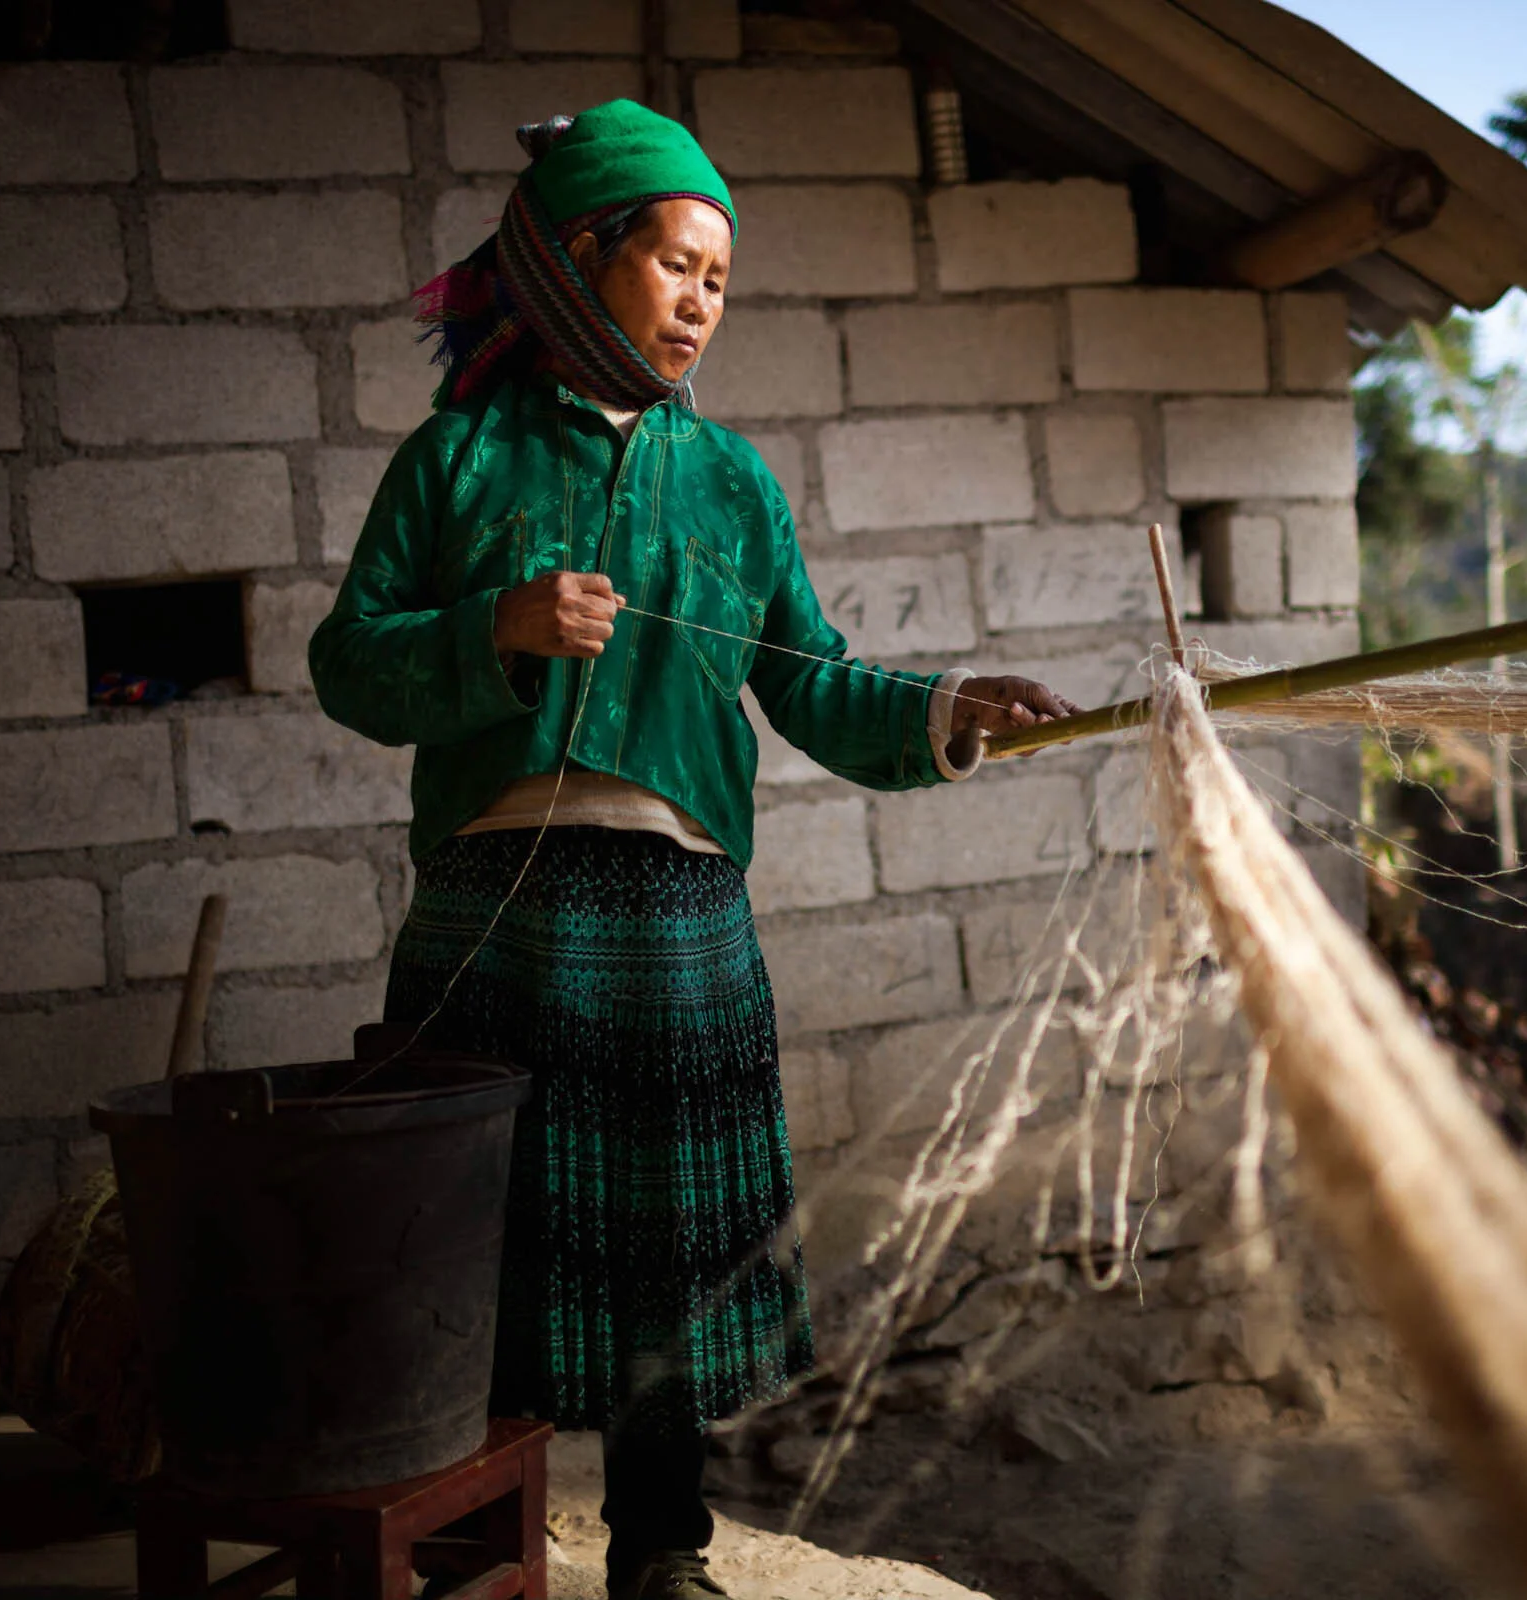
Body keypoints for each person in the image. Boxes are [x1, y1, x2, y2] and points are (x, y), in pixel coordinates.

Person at [309, 99, 1077, 1600]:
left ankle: (662, 1552)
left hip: (676, 916)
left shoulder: (729, 482)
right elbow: (353, 665)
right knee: (486, 1239)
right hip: (491, 908)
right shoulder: (454, 461)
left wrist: (945, 710)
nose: (700, 303)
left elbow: (809, 677)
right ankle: (480, 1551)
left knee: (658, 1245)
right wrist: (496, 631)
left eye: (720, 282)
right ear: (578, 256)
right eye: (674, 265)